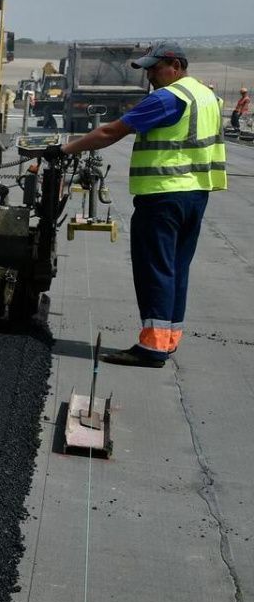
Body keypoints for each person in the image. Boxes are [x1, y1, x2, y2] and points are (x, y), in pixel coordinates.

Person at [51, 41, 225, 368]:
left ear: (174, 64)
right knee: (175, 268)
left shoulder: (168, 98)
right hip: (195, 195)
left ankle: (152, 348)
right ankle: (168, 338)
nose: (150, 76)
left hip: (163, 196)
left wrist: (63, 150)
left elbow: (110, 132)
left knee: (154, 269)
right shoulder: (206, 96)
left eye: (154, 68)